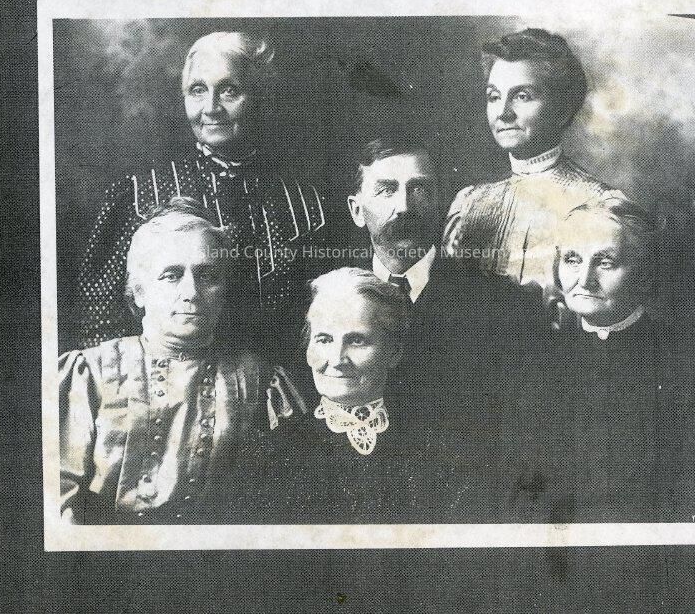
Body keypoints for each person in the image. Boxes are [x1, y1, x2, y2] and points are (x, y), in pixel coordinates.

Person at [73, 31, 327, 360]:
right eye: (198, 90)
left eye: (229, 90)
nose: (211, 108)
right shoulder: (138, 196)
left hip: (278, 382)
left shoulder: (305, 204)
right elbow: (101, 322)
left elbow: (320, 320)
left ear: (260, 95)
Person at [59, 198, 305, 524]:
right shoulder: (90, 375)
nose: (191, 292)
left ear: (224, 290)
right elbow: (58, 505)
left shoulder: (260, 380)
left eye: (207, 276)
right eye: (171, 275)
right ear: (139, 292)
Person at [501, 197, 695, 523]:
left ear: (644, 274)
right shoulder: (537, 363)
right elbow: (520, 490)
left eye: (604, 262)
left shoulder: (685, 363)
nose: (584, 279)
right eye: (572, 259)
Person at [240, 268, 459, 522]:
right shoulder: (270, 455)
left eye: (356, 340)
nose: (336, 360)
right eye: (324, 339)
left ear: (394, 352)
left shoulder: (437, 448)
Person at [346, 137, 540, 418]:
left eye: (419, 189)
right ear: (357, 211)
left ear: (439, 201)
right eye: (387, 190)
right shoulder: (328, 298)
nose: (404, 206)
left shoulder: (502, 305)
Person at [443, 28, 625, 307]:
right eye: (494, 96)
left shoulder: (602, 205)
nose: (503, 113)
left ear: (562, 110)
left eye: (522, 96)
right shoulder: (468, 203)